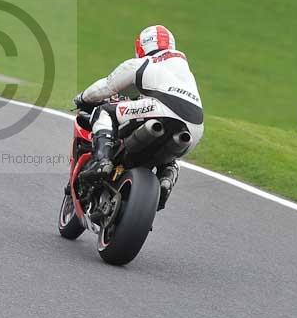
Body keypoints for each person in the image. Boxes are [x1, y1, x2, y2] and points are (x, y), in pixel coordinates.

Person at [73, 25, 204, 210]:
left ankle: (102, 161)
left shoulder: (145, 62)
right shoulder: (184, 69)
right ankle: (166, 180)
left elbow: (106, 87)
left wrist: (82, 98)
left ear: (141, 46)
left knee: (104, 111)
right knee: (172, 155)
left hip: (160, 109)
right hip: (195, 127)